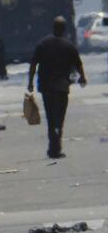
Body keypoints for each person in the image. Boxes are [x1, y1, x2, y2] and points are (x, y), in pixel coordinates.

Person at [28, 17, 87, 159]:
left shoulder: (43, 44)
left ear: (53, 27)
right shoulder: (68, 45)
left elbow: (33, 64)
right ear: (64, 29)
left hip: (46, 87)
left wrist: (30, 82)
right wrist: (82, 78)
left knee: (50, 117)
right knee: (59, 119)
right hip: (62, 88)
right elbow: (78, 64)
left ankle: (52, 147)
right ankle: (56, 148)